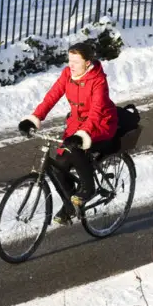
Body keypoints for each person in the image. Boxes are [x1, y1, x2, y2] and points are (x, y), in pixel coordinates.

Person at [18, 42, 118, 224]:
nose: (70, 65)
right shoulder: (67, 74)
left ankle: (88, 189)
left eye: (75, 61)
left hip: (100, 125)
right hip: (75, 126)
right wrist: (34, 118)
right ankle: (70, 205)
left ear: (87, 63)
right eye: (69, 60)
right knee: (59, 166)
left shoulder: (98, 80)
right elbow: (51, 97)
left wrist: (82, 134)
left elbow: (96, 112)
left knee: (76, 151)